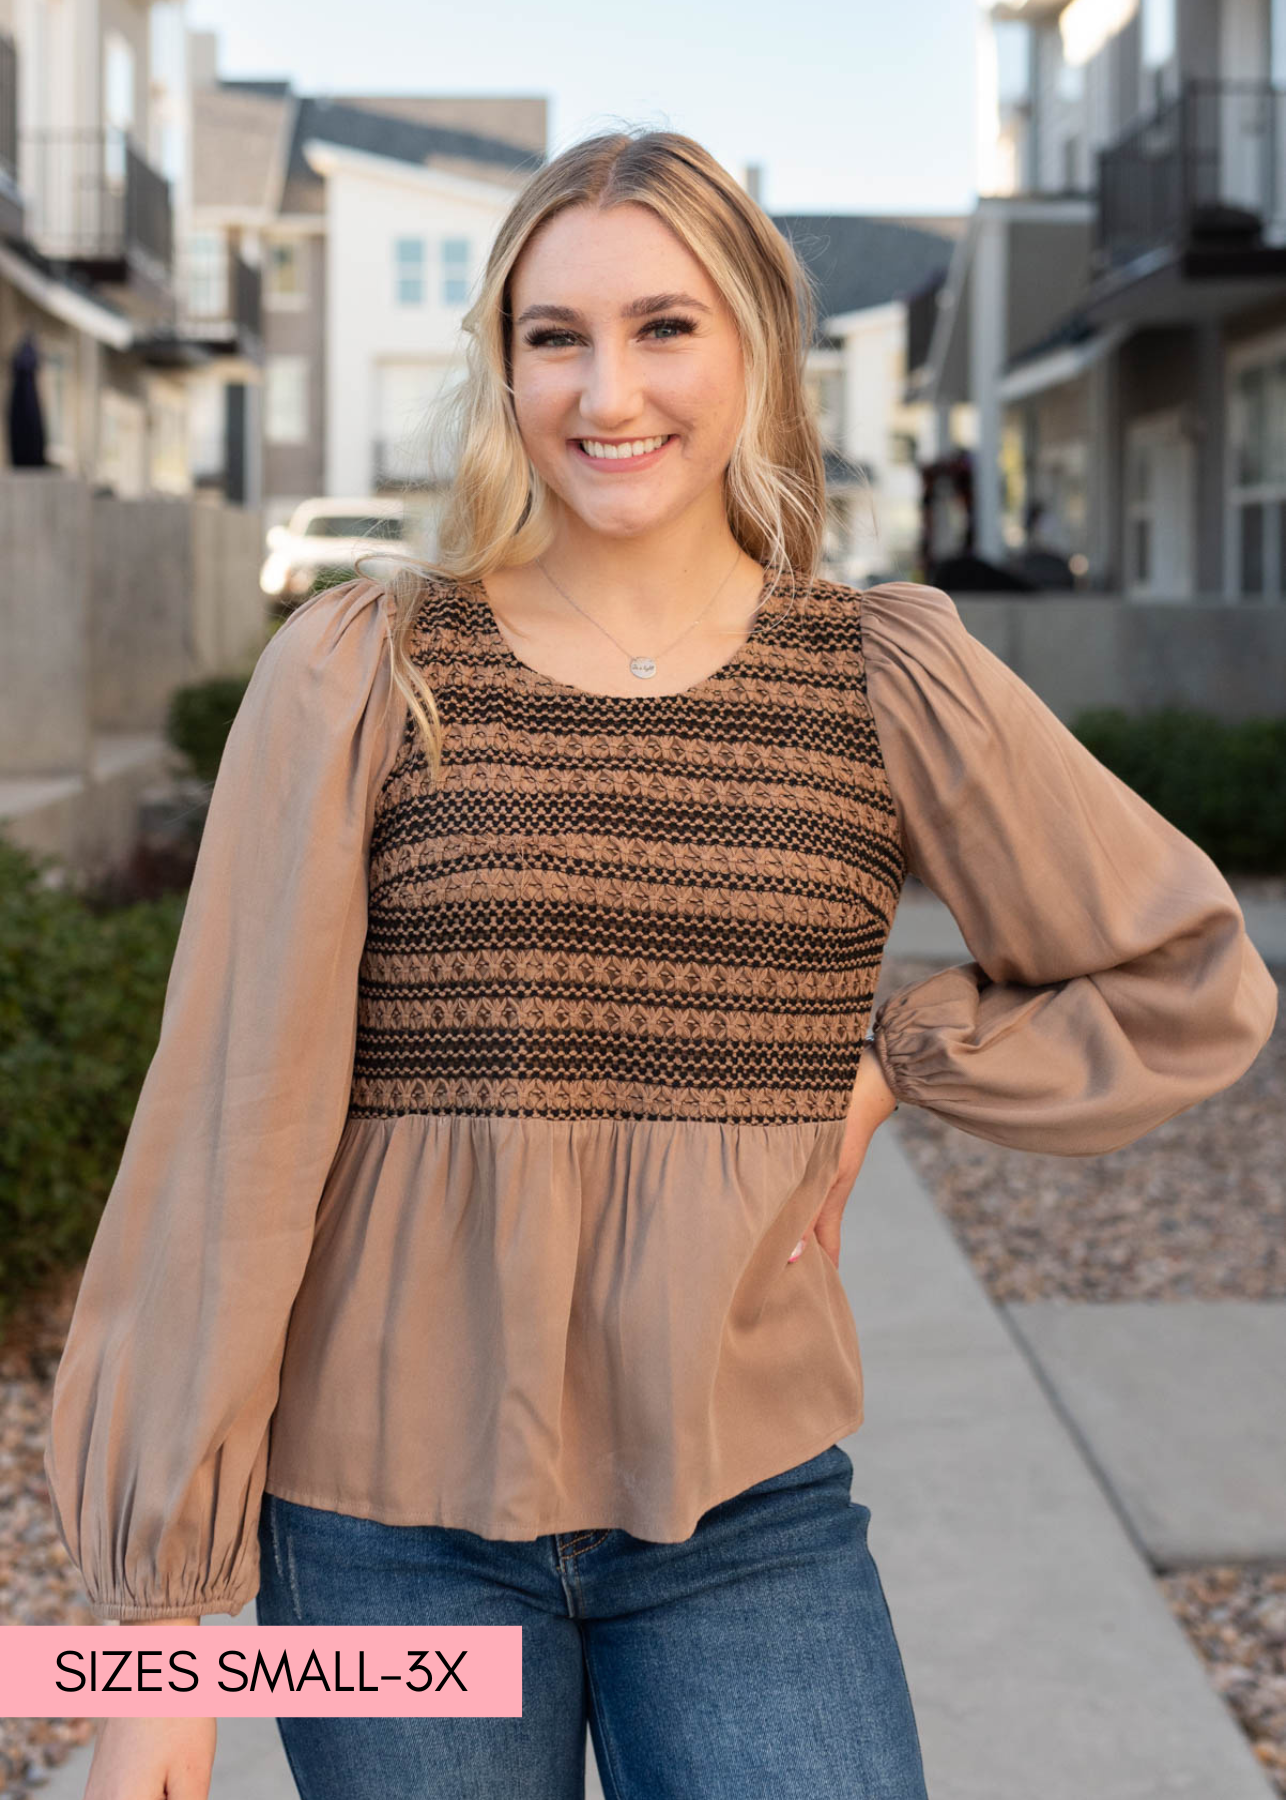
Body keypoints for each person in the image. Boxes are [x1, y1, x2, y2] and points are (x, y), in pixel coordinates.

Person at [45, 127, 1277, 1800]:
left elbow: (1183, 972)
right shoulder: (365, 669)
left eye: (662, 326)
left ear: (758, 344)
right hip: (377, 1528)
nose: (604, 390)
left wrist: (889, 1069)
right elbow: (224, 1136)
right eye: (553, 336)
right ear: (503, 366)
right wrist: (151, 1652)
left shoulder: (878, 674)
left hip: (740, 1518)